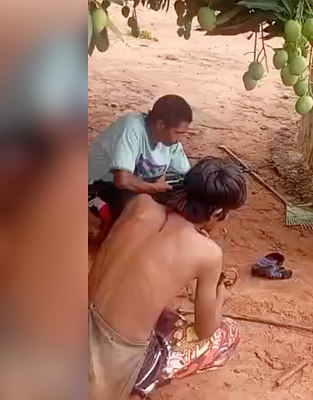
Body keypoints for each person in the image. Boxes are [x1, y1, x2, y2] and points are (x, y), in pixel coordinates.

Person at [88, 156, 247, 400]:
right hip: (115, 357)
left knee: (164, 314)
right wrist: (220, 297)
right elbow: (206, 329)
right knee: (226, 335)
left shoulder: (140, 204)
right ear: (217, 212)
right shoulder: (208, 253)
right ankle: (140, 382)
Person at [88, 94, 193, 222]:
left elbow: (187, 175)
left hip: (136, 187)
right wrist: (154, 188)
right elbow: (122, 180)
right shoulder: (131, 127)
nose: (181, 138)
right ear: (161, 124)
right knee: (147, 213)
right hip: (100, 187)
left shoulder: (171, 144)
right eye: (178, 132)